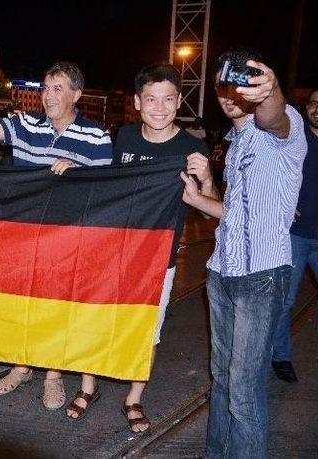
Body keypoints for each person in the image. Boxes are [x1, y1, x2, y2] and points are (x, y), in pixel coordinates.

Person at [180, 48, 307, 458]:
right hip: (221, 273)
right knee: (221, 378)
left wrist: (268, 90)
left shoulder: (284, 131)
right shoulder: (233, 148)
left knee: (244, 389)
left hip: (262, 276)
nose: (228, 92)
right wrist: (199, 196)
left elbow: (273, 113)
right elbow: (233, 213)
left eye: (238, 82)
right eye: (222, 85)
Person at [0, 49, 113, 410]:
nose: (49, 94)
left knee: (54, 307)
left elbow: (106, 191)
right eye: (47, 87)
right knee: (21, 305)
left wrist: (78, 174)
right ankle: (21, 367)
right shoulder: (25, 124)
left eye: (58, 88)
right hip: (23, 234)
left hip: (68, 241)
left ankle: (52, 375)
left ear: (77, 95)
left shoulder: (97, 136)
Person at [110, 64, 216, 427]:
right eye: (151, 99)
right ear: (138, 102)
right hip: (117, 251)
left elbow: (210, 210)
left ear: (178, 102)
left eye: (168, 99)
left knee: (148, 329)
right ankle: (89, 383)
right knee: (105, 318)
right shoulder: (123, 138)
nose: (160, 107)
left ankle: (134, 397)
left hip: (161, 257)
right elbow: (108, 190)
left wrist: (205, 178)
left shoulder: (192, 148)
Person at [271, 88, 318, 383]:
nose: (317, 109)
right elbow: (275, 172)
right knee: (285, 301)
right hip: (296, 235)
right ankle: (281, 357)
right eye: (314, 103)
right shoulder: (296, 138)